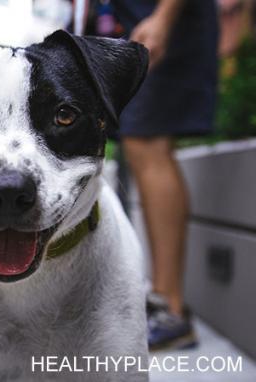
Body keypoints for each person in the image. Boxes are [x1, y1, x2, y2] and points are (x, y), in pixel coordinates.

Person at [108, 0, 219, 351]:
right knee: (139, 143)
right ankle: (160, 303)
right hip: (139, 22)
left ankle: (170, 310)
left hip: (159, 22)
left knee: (148, 142)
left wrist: (164, 17)